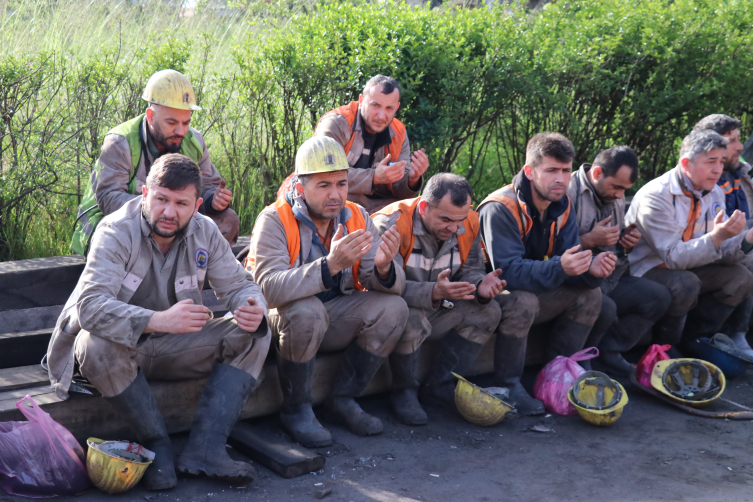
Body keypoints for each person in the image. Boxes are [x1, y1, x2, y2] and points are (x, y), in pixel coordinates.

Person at [47, 154, 270, 489]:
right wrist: (159, 320)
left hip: (171, 349)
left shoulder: (205, 231)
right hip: (116, 356)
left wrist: (252, 307)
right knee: (95, 344)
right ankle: (157, 444)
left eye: (181, 203)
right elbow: (90, 308)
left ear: (196, 205)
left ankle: (206, 448)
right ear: (144, 193)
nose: (169, 212)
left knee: (255, 333)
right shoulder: (115, 231)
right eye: (161, 199)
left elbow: (240, 285)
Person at [247, 136, 408, 448]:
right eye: (323, 185)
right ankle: (296, 411)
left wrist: (384, 268)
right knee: (307, 311)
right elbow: (266, 290)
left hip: (333, 316)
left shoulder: (357, 216)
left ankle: (343, 399)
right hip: (283, 322)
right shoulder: (274, 219)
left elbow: (384, 282)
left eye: (342, 183)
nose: (335, 194)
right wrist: (330, 265)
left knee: (395, 308)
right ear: (299, 186)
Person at [478, 132, 616, 415]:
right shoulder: (500, 207)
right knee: (523, 301)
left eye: (566, 171)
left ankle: (559, 374)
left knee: (591, 295)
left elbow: (569, 263)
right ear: (529, 171)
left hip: (536, 287)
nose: (561, 179)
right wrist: (560, 267)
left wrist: (590, 270)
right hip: (486, 295)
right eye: (551, 170)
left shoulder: (563, 205)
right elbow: (510, 273)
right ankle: (509, 385)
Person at [372, 173, 505, 424]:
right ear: (423, 207)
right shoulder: (390, 224)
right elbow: (380, 287)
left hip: (439, 305)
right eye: (446, 219)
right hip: (397, 310)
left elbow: (471, 270)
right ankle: (404, 392)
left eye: (459, 220)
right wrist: (432, 292)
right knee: (409, 317)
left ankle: (440, 385)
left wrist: (480, 286)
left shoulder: (469, 223)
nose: (454, 228)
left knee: (489, 311)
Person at [70, 69, 240, 254]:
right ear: (150, 116)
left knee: (227, 220)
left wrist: (212, 201)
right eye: (171, 122)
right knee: (144, 233)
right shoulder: (120, 142)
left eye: (186, 123)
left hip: (173, 220)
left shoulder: (194, 141)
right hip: (116, 222)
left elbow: (208, 186)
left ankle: (200, 276)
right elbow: (108, 198)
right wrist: (160, 210)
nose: (181, 131)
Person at [625, 130, 753, 349]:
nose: (717, 170)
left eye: (721, 162)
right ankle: (665, 347)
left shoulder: (715, 193)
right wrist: (718, 236)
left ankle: (696, 341)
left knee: (740, 277)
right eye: (710, 161)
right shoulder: (656, 196)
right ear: (686, 164)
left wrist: (747, 239)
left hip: (692, 264)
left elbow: (718, 249)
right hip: (647, 268)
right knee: (686, 282)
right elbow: (673, 257)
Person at [567, 146, 672, 375]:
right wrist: (588, 239)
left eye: (624, 190)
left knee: (659, 297)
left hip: (610, 277)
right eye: (616, 187)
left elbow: (615, 243)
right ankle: (579, 361)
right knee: (606, 308)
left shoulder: (614, 193)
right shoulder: (567, 192)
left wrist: (625, 241)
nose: (619, 195)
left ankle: (610, 350)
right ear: (596, 174)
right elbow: (551, 248)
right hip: (576, 282)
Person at [315, 75, 430, 213]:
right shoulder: (336, 124)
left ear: (397, 107)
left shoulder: (399, 132)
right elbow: (324, 174)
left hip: (376, 207)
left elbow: (401, 194)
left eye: (389, 108)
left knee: (420, 211)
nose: (381, 116)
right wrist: (374, 177)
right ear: (362, 100)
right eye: (375, 105)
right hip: (335, 202)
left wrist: (413, 179)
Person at [693, 114, 753, 355]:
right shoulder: (707, 182)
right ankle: (734, 332)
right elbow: (715, 237)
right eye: (732, 141)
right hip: (708, 252)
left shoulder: (741, 173)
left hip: (736, 242)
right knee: (746, 266)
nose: (740, 146)